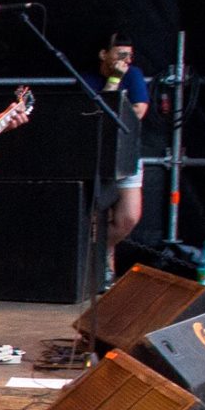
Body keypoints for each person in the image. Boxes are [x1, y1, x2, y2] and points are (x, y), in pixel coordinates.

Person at [79, 32, 151, 266]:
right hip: (96, 154)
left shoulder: (134, 75)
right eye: (121, 55)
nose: (126, 61)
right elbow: (99, 114)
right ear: (104, 54)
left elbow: (138, 111)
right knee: (93, 216)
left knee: (129, 216)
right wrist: (114, 80)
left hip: (126, 153)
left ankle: (101, 251)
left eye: (129, 56)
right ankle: (98, 267)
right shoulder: (87, 80)